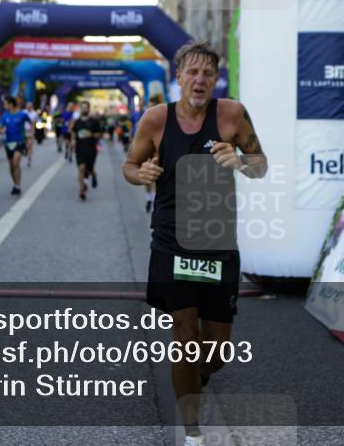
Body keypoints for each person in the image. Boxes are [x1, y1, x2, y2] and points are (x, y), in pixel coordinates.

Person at [122, 40, 267, 446]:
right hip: (170, 239)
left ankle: (201, 375)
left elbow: (261, 164)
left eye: (207, 73)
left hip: (218, 243)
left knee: (216, 353)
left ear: (215, 79)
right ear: (178, 77)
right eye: (192, 72)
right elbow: (129, 165)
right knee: (184, 334)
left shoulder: (232, 115)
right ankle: (192, 432)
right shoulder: (154, 120)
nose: (200, 80)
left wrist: (239, 161)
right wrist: (142, 174)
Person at [70, 101, 103, 201]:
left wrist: (91, 135)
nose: (84, 109)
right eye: (82, 107)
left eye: (86, 107)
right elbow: (73, 131)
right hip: (80, 148)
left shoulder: (94, 121)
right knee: (81, 168)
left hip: (91, 149)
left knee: (89, 169)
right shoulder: (77, 121)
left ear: (88, 109)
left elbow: (100, 134)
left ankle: (93, 174)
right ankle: (82, 190)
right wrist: (73, 139)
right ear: (80, 109)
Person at [0, 96, 29, 195]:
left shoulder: (22, 114)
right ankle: (15, 184)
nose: (4, 105)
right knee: (11, 166)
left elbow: (31, 123)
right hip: (9, 143)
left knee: (16, 163)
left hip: (19, 142)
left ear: (11, 104)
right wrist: (1, 130)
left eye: (5, 103)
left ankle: (18, 185)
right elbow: (0, 128)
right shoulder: (5, 115)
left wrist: (30, 132)